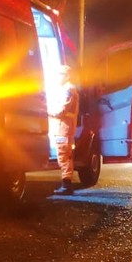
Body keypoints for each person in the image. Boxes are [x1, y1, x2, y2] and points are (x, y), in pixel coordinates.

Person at [48, 64, 80, 195]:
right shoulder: (66, 89)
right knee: (66, 154)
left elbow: (62, 109)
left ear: (67, 76)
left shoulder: (68, 89)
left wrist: (48, 112)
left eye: (60, 75)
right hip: (64, 126)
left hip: (64, 127)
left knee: (63, 155)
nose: (58, 77)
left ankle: (67, 185)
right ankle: (67, 184)